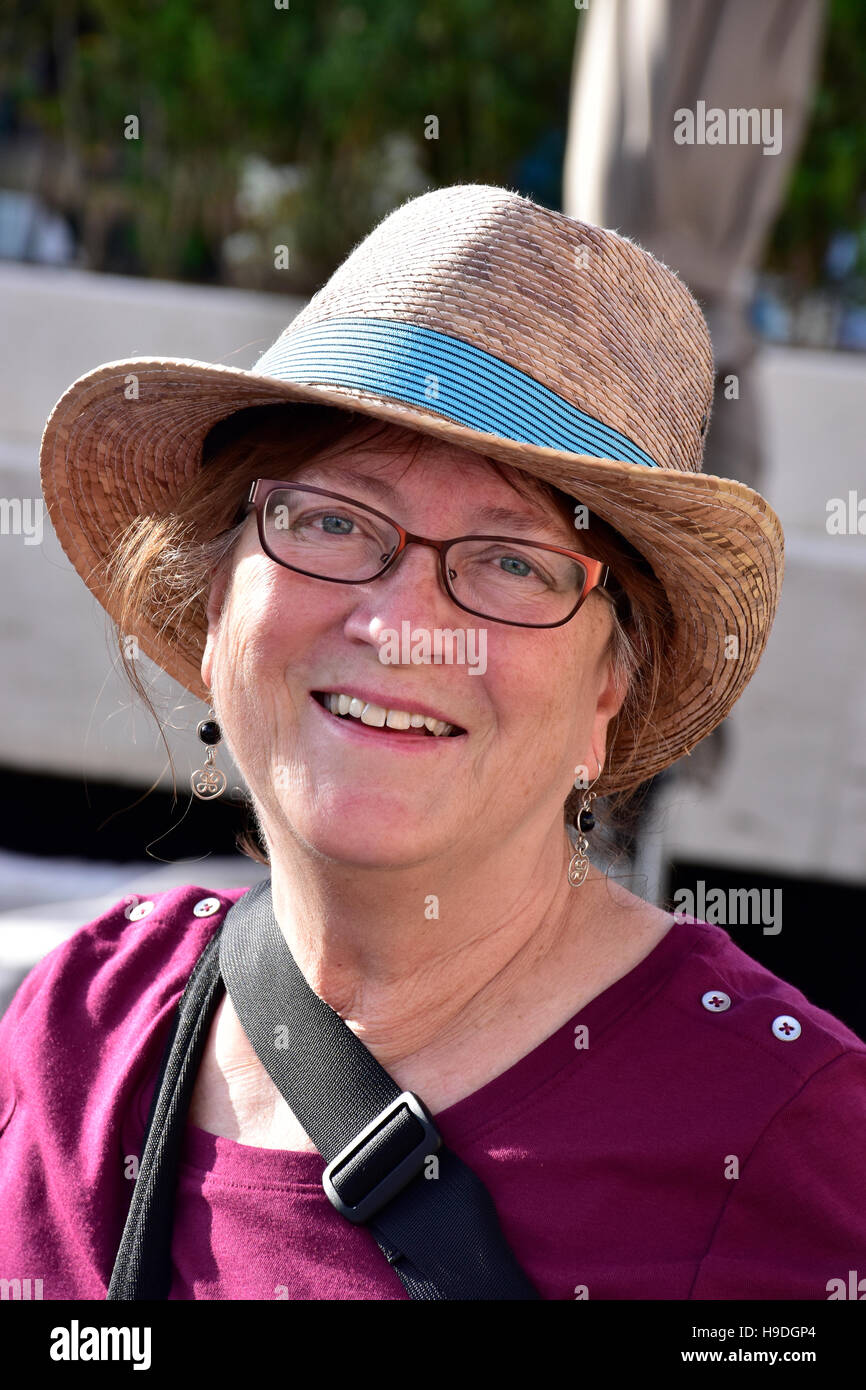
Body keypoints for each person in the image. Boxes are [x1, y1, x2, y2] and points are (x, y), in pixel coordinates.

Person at [1, 183, 863, 1302]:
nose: (402, 626)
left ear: (610, 684)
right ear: (213, 603)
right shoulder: (81, 1031)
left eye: (511, 561)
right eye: (331, 521)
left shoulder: (786, 1135)